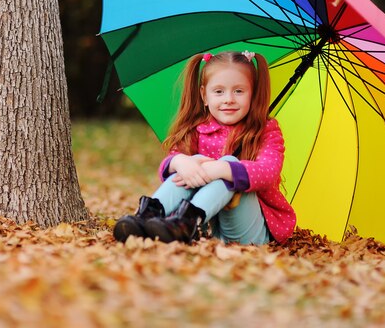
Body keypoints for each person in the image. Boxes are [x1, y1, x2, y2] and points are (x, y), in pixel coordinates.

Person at [113, 51, 296, 245]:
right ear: (204, 95)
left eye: (239, 91)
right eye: (219, 91)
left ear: (253, 94)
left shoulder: (266, 130)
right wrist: (180, 162)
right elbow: (172, 163)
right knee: (186, 166)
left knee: (229, 164)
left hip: (249, 232)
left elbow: (268, 172)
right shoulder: (197, 129)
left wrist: (222, 168)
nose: (228, 99)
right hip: (211, 230)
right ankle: (148, 214)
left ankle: (188, 221)